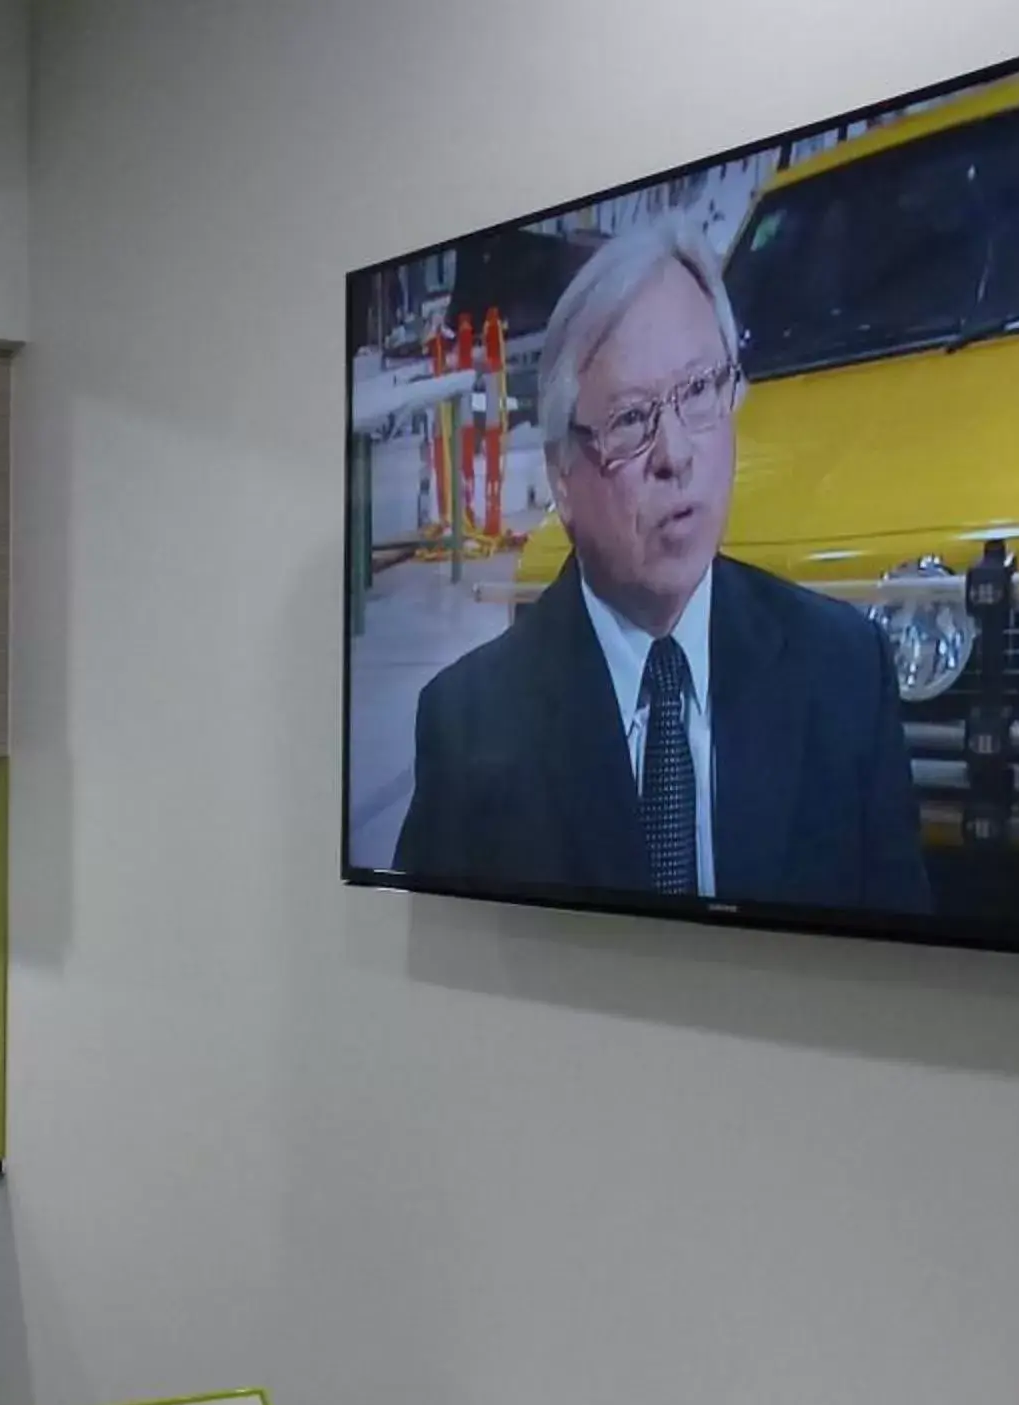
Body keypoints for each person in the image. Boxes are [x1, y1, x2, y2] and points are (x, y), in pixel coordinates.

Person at [394, 215, 931, 914]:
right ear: (562, 476)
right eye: (630, 420)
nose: (676, 454)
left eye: (700, 391)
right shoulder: (469, 725)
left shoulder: (846, 674)